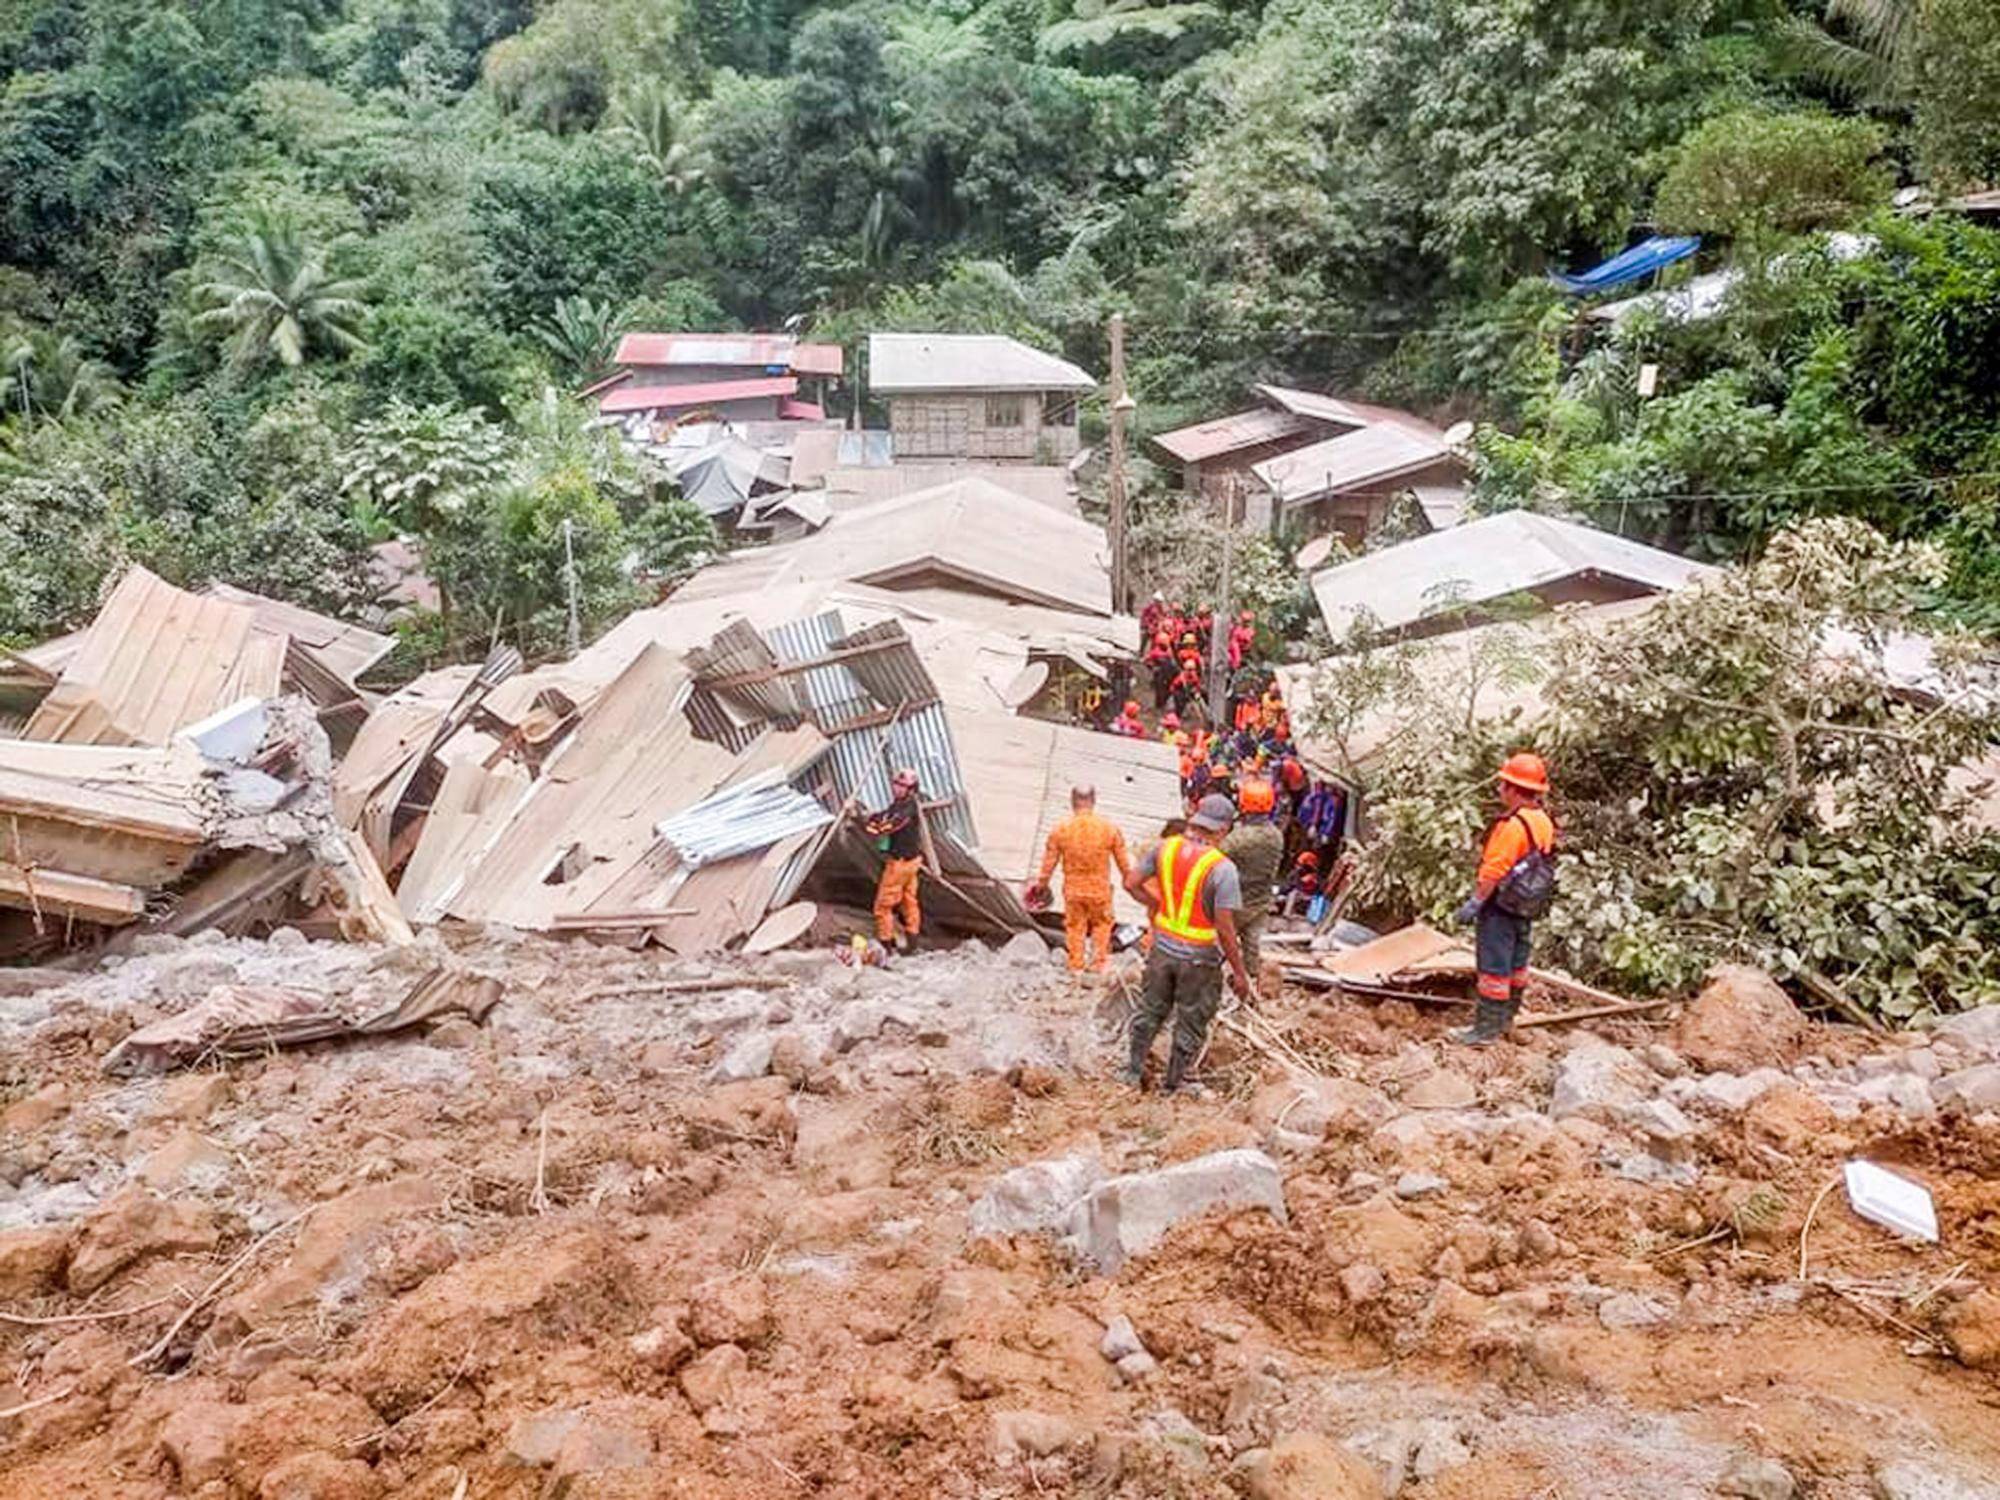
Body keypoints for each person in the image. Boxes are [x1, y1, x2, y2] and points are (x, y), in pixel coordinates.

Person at [1122, 793, 1253, 1095]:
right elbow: (1224, 927)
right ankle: (1174, 1083)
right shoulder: (1222, 869)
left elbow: (1130, 883)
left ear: (1196, 818)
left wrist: (1156, 903)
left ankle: (1131, 1071)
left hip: (1162, 948)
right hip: (1200, 958)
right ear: (1222, 830)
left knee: (1150, 1010)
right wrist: (1240, 972)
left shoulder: (1164, 849)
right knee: (1191, 1018)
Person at [1452, 752, 1557, 1046]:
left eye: (1502, 784)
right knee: (1517, 965)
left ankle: (1485, 1031)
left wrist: (1476, 902)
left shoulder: (1512, 826)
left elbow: (1494, 870)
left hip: (1501, 904)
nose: (1499, 790)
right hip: (1527, 904)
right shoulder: (1543, 821)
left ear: (1513, 788)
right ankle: (1506, 1021)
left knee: (1494, 967)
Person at [1028, 784, 1134, 973]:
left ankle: (1076, 966)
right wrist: (1130, 882)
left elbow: (1048, 864)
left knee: (1075, 926)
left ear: (1072, 801)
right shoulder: (1109, 829)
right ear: (1093, 801)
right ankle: (1098, 964)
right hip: (1099, 889)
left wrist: (1041, 886)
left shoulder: (1060, 830)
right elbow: (1124, 864)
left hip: (1073, 890)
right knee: (1101, 924)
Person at [1220, 777, 1285, 979]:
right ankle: (1251, 990)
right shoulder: (1276, 835)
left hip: (1235, 902)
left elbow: (1215, 860)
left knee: (1218, 946)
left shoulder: (1239, 838)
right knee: (1252, 948)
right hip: (1261, 901)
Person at [865, 768, 926, 954]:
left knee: (882, 906)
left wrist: (873, 827)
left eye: (902, 786)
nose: (896, 788)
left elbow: (891, 825)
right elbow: (885, 816)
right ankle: (912, 944)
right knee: (909, 902)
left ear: (911, 789)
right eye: (896, 784)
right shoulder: (902, 804)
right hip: (912, 861)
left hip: (900, 864)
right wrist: (873, 818)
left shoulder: (907, 809)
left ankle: (886, 946)